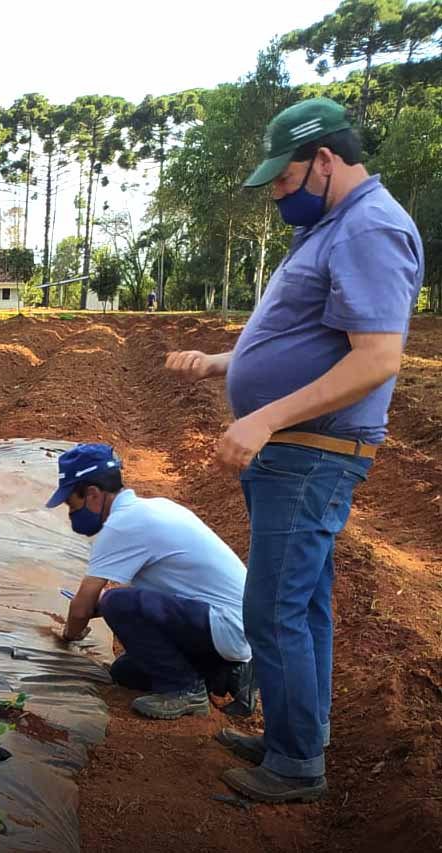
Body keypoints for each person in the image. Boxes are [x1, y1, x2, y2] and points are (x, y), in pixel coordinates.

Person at [165, 98, 423, 804]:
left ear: (326, 161)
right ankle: (294, 736)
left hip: (310, 451)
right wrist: (227, 362)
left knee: (272, 608)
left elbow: (375, 359)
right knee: (301, 603)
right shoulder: (334, 228)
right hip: (297, 450)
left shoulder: (369, 227)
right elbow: (308, 336)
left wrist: (262, 416)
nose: (278, 192)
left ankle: (294, 765)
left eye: (284, 179)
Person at [51, 443, 254, 720]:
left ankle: (184, 690)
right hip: (237, 625)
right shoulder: (154, 507)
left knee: (116, 602)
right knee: (125, 672)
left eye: (71, 505)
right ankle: (220, 672)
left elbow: (81, 608)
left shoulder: (122, 524)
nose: (71, 514)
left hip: (226, 626)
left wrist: (68, 636)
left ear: (93, 495)